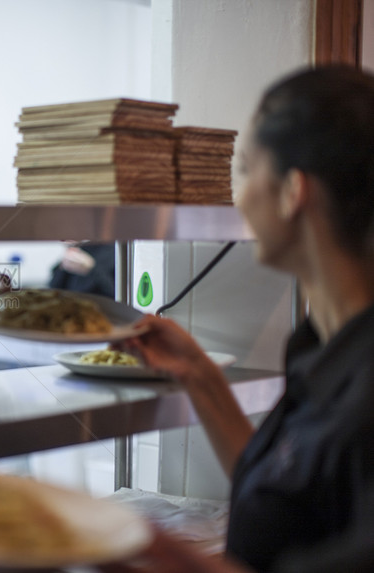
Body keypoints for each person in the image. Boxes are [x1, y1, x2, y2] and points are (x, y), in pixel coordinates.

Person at [105, 65, 374, 572]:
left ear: (295, 192)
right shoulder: (319, 342)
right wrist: (198, 374)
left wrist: (169, 559)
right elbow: (283, 499)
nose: (241, 195)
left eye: (248, 169)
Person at [49, 241, 115, 297]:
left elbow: (114, 293)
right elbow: (54, 289)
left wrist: (92, 269)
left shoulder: (114, 250)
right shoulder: (78, 249)